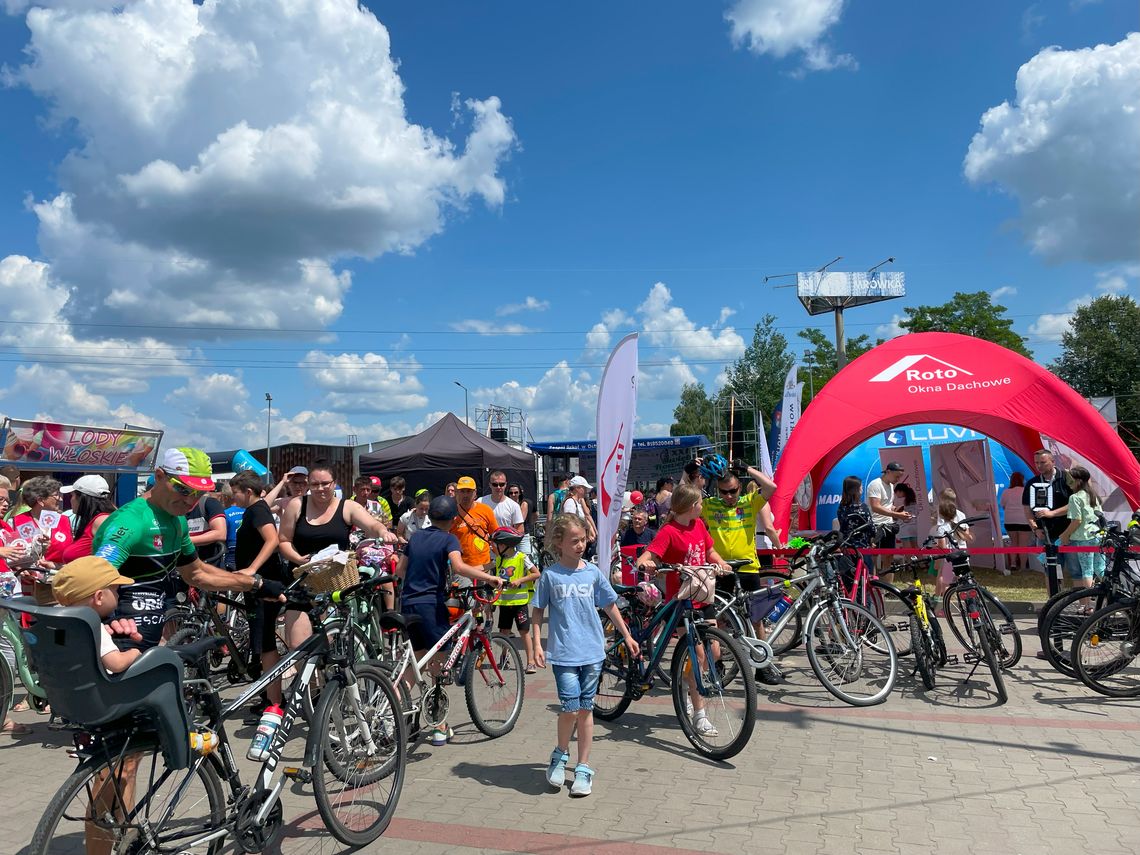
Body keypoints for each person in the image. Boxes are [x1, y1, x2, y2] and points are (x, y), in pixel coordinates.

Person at [93, 447, 286, 650]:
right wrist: (105, 621)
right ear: (159, 476)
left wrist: (255, 585)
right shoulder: (131, 521)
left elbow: (196, 573)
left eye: (199, 493)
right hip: (119, 642)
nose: (191, 501)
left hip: (150, 641)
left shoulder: (178, 521)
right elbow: (91, 580)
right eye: (184, 489)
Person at [531, 514, 639, 797]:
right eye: (574, 541)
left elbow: (610, 605)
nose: (580, 545)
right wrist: (537, 645)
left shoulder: (592, 573)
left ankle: (583, 767)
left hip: (592, 652)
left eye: (583, 540)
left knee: (585, 709)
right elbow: (537, 611)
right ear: (559, 543)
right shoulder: (550, 576)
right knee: (570, 708)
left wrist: (627, 636)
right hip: (564, 653)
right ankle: (560, 754)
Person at [395, 496, 502, 746]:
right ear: (454, 520)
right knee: (439, 664)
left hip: (408, 603)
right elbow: (459, 567)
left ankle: (392, 711)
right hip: (431, 606)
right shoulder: (449, 539)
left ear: (429, 515)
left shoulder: (415, 537)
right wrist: (490, 578)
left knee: (418, 661)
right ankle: (439, 726)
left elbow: (400, 570)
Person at [636, 483, 730, 736]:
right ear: (691, 506)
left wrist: (721, 563)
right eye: (700, 503)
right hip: (681, 600)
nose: (702, 506)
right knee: (698, 657)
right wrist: (645, 564)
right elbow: (648, 556)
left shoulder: (698, 525)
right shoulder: (669, 531)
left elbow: (709, 550)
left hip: (702, 596)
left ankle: (687, 683)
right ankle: (699, 715)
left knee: (714, 651)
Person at [278, 461, 397, 645]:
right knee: (297, 645)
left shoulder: (347, 506)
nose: (320, 488)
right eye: (315, 484)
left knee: (328, 644)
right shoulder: (297, 505)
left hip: (334, 584)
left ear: (334, 483)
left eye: (325, 483)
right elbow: (284, 540)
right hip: (302, 582)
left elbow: (372, 524)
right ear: (309, 484)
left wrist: (383, 532)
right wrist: (299, 559)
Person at [701, 460, 782, 685]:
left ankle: (762, 668)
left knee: (755, 620)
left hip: (748, 569)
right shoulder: (710, 505)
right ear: (718, 490)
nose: (729, 496)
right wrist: (691, 474)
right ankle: (717, 664)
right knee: (717, 621)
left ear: (740, 487)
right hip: (721, 570)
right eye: (724, 492)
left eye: (733, 490)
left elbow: (771, 487)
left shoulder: (749, 502)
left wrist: (746, 468)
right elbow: (683, 499)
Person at [229, 470, 284, 703]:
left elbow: (273, 539)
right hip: (254, 587)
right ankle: (270, 697)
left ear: (248, 491)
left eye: (235, 493)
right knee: (261, 640)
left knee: (265, 642)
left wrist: (252, 568)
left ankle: (273, 701)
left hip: (262, 584)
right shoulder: (254, 508)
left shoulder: (258, 510)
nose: (233, 498)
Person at [51, 556, 142, 674]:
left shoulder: (57, 624)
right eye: (115, 590)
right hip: (97, 685)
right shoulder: (93, 627)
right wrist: (135, 652)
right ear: (99, 597)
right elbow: (116, 664)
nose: (118, 595)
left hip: (67, 681)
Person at [490, 527, 540, 674]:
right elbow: (488, 570)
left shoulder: (521, 558)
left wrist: (519, 580)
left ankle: (530, 662)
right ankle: (504, 658)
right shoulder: (499, 559)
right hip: (505, 603)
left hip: (520, 603)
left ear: (505, 545)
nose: (496, 547)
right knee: (504, 632)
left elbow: (536, 574)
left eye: (498, 544)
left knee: (524, 631)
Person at [1023, 449, 1074, 577]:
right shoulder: (1032, 483)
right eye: (1036, 463)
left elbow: (1076, 504)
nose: (1039, 466)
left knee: (1076, 571)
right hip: (1045, 535)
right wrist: (1035, 528)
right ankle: (1055, 591)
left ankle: (1081, 591)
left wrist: (1053, 513)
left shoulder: (1066, 479)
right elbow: (1027, 509)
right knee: (1051, 572)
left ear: (1053, 461)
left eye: (1043, 462)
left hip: (1069, 533)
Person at [1059, 466, 1105, 597]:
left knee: (1087, 571)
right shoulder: (1093, 496)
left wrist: (1065, 534)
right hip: (1098, 536)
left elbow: (1077, 520)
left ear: (1078, 481)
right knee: (1100, 568)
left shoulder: (1075, 497)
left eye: (1070, 479)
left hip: (1083, 538)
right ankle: (1113, 596)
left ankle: (1087, 603)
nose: (1068, 482)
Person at [13, 476, 72, 572]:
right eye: (56, 495)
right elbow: (11, 556)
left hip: (59, 576)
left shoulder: (64, 521)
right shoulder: (17, 521)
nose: (60, 499)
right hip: (28, 578)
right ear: (40, 500)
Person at [866, 462, 912, 578]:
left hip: (889, 525)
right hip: (876, 525)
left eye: (900, 477)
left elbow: (887, 505)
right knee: (873, 558)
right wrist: (897, 514)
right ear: (888, 472)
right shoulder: (875, 484)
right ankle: (872, 585)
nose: (898, 479)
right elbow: (875, 507)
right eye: (897, 476)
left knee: (889, 556)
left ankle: (886, 586)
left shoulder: (891, 486)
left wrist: (897, 510)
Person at [931, 493, 974, 614]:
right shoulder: (961, 517)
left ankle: (944, 608)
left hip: (950, 558)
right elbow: (968, 536)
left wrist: (935, 547)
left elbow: (943, 547)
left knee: (946, 583)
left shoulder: (941, 528)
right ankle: (971, 606)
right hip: (962, 555)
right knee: (965, 581)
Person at [59, 475, 116, 563]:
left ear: (81, 498)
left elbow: (110, 558)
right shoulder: (93, 521)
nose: (71, 500)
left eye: (72, 495)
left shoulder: (101, 521)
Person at [450, 476, 499, 575]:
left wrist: (500, 559)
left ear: (475, 493)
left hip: (484, 567)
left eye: (469, 491)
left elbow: (496, 537)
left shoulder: (486, 510)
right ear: (457, 493)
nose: (465, 495)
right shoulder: (451, 513)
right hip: (462, 569)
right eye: (462, 491)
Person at [185, 488, 227, 569]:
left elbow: (220, 534)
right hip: (184, 567)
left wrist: (183, 541)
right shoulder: (173, 509)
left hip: (210, 566)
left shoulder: (209, 503)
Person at [999, 473, 1029, 572]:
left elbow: (1003, 505)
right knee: (1023, 545)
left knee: (1013, 542)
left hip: (1010, 520)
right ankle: (1023, 567)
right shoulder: (1026, 491)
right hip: (1024, 520)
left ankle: (1013, 564)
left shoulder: (1006, 492)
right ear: (1022, 480)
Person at [836, 476, 874, 549]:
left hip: (845, 545)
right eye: (861, 487)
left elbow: (843, 526)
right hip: (862, 545)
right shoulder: (862, 507)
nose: (862, 488)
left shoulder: (842, 507)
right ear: (856, 489)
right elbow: (871, 527)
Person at [560, 476, 597, 545]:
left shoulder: (576, 502)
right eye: (584, 488)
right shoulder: (570, 502)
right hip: (574, 542)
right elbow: (569, 523)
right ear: (577, 488)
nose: (586, 491)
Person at [506, 483, 533, 554]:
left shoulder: (524, 504)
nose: (513, 495)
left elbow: (520, 521)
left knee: (524, 557)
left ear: (520, 493)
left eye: (516, 492)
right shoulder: (506, 504)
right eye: (511, 493)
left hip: (522, 535)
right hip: (509, 535)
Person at [222, 484, 244, 571]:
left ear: (225, 497)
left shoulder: (224, 513)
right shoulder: (247, 510)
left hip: (231, 550)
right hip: (248, 548)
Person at [892, 482, 918, 549]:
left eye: (896, 493)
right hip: (913, 526)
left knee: (907, 547)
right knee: (915, 546)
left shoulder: (900, 501)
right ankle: (920, 556)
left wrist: (893, 510)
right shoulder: (912, 500)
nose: (896, 495)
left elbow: (895, 515)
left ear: (900, 491)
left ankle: (908, 557)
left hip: (904, 527)